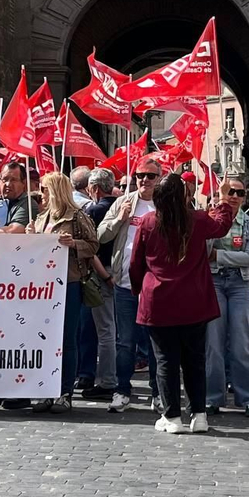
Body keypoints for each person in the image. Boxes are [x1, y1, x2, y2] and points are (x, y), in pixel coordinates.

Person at [129, 171, 237, 434]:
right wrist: (222, 198)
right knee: (194, 359)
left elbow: (136, 263)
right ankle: (199, 415)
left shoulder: (148, 221)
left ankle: (172, 416)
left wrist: (137, 289)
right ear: (184, 195)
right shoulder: (197, 219)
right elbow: (222, 225)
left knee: (165, 360)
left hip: (159, 300)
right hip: (193, 300)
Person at [33, 171, 100, 412]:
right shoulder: (41, 219)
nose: (41, 194)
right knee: (46, 339)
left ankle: (65, 392)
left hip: (69, 282)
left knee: (66, 339)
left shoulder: (77, 216)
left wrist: (74, 244)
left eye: (44, 189)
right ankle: (46, 390)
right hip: (43, 286)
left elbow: (94, 245)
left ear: (55, 190)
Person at [98, 166, 162, 413]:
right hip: (124, 284)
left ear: (159, 178)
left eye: (150, 176)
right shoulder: (123, 202)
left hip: (154, 285)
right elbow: (101, 236)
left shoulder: (163, 204)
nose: (144, 180)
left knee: (155, 341)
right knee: (125, 342)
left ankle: (158, 392)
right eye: (139, 175)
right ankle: (122, 390)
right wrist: (119, 219)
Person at [204, 177, 249, 416]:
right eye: (229, 192)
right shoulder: (210, 219)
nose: (234, 196)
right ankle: (212, 397)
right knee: (213, 343)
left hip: (240, 284)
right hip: (214, 282)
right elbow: (204, 251)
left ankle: (248, 397)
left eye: (239, 193)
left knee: (241, 341)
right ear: (219, 194)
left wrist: (218, 255)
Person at [78, 168, 120, 398]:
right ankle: (115, 378)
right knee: (117, 330)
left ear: (94, 188)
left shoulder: (94, 210)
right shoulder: (123, 206)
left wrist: (104, 276)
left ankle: (107, 381)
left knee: (104, 330)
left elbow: (90, 247)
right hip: (121, 272)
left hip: (102, 272)